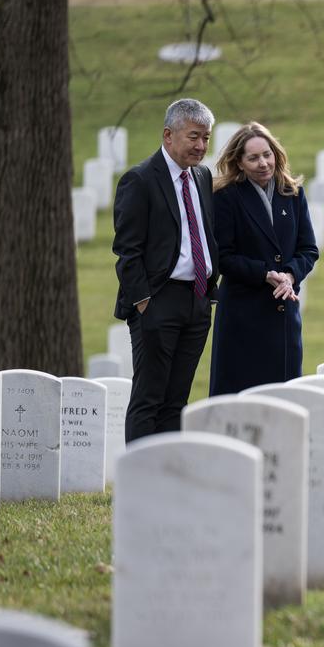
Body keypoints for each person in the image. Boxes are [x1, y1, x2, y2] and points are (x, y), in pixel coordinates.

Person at [113, 98, 219, 442]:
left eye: (206, 137)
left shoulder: (201, 176)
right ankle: (139, 486)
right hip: (157, 301)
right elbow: (127, 251)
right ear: (168, 135)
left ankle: (167, 483)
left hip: (197, 301)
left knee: (177, 400)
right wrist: (145, 303)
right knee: (149, 397)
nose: (201, 146)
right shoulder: (140, 180)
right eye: (194, 137)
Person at [208, 123, 319, 395]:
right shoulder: (226, 197)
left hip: (282, 315)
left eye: (267, 154)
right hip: (242, 317)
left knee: (284, 400)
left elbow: (308, 249)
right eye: (253, 158)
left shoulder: (292, 193)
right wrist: (265, 274)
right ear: (239, 162)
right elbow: (223, 256)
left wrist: (290, 275)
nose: (263, 163)